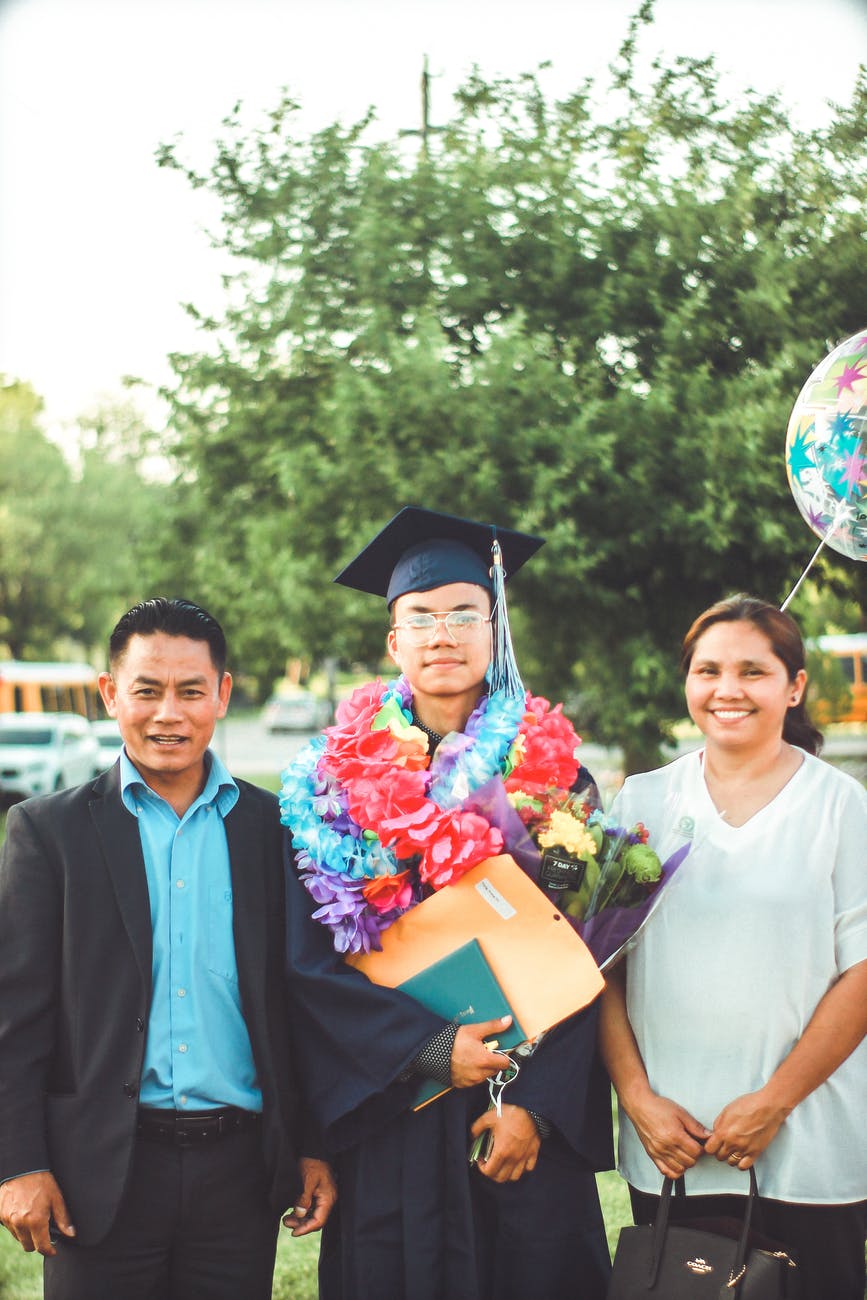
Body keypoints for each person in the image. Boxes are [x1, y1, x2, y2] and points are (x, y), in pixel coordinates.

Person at [281, 507, 613, 1300]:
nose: (443, 634)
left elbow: (594, 946)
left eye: (465, 613)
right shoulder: (330, 788)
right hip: (393, 1113)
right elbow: (306, 964)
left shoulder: (555, 777)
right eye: (420, 618)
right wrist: (428, 1050)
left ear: (494, 629)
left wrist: (535, 1106)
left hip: (519, 1116)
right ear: (392, 641)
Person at [0, 597, 336, 1300]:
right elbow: (15, 1018)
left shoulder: (276, 830)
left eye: (190, 691)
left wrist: (311, 1143)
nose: (167, 714)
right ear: (109, 694)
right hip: (97, 1171)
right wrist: (17, 1163)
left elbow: (299, 1004)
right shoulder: (47, 834)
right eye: (146, 691)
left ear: (223, 694)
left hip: (240, 1174)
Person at [600, 594, 867, 1300]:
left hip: (806, 1143)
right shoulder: (639, 804)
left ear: (794, 686)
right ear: (686, 682)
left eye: (753, 671)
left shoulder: (842, 807)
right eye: (708, 670)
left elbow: (862, 974)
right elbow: (599, 968)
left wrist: (774, 1102)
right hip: (671, 1146)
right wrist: (636, 1099)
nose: (727, 690)